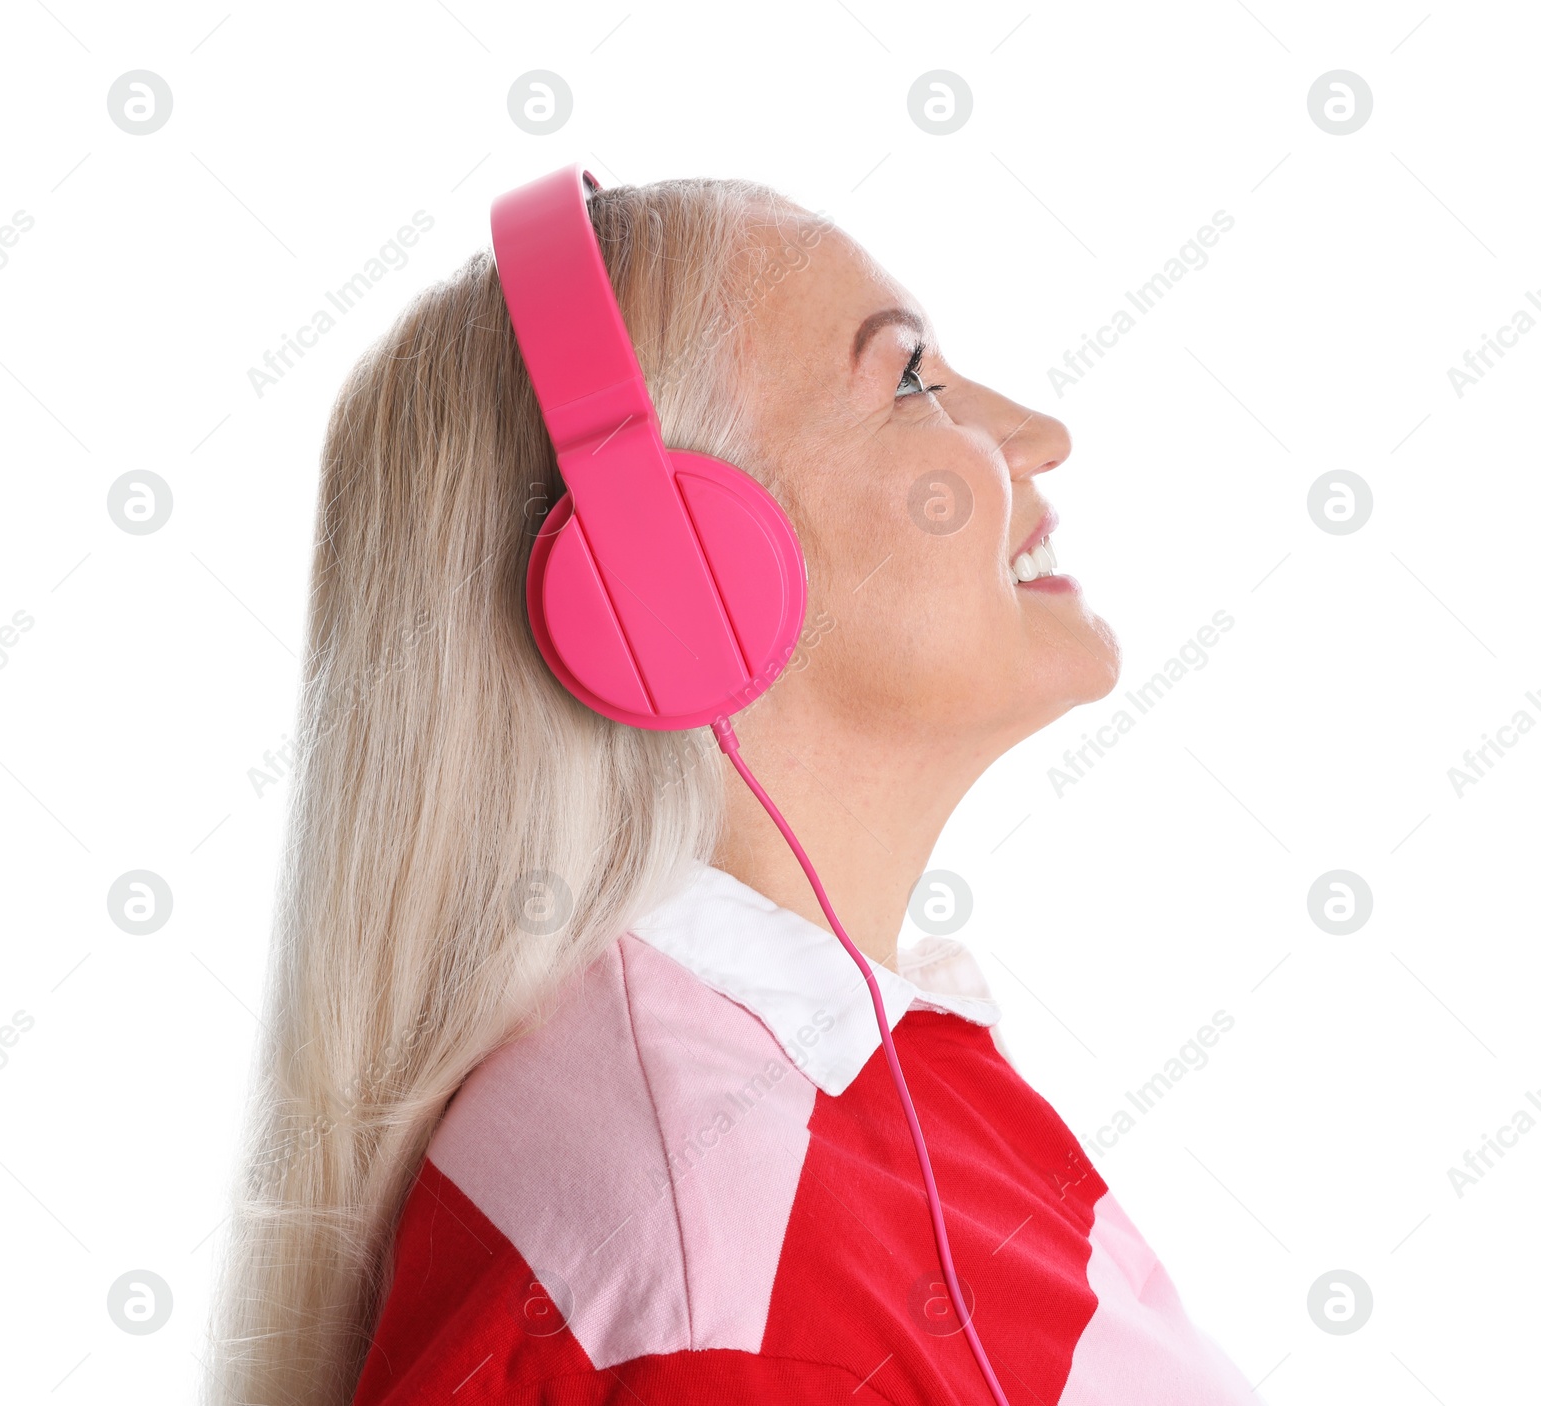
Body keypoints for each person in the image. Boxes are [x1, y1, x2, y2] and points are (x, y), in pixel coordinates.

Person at [207, 173, 1262, 1405]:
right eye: (911, 381)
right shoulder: (719, 1291)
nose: (1035, 434)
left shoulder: (834, 1104)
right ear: (683, 577)